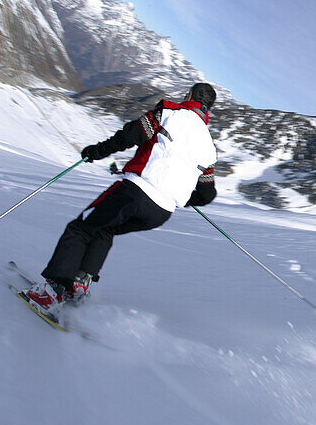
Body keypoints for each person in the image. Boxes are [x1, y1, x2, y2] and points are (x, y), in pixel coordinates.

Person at [26, 83, 219, 309]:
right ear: (208, 108)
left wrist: (97, 151)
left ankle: (53, 292)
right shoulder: (209, 148)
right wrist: (181, 195)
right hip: (161, 212)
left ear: (189, 95)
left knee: (81, 228)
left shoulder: (169, 113)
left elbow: (130, 135)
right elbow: (206, 194)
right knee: (105, 229)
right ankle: (78, 285)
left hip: (135, 192)